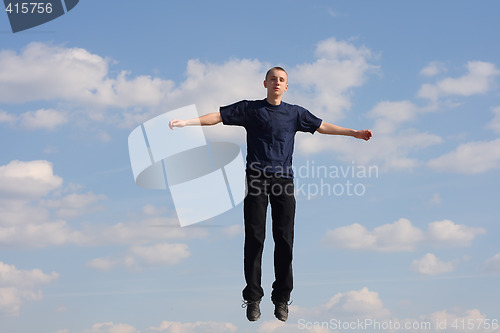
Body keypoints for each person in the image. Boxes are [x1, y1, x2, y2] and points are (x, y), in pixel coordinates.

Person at [169, 67, 372, 322]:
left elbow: (322, 126)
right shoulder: (251, 110)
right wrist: (188, 122)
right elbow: (218, 117)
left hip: (283, 180)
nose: (277, 83)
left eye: (282, 80)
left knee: (284, 239)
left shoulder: (295, 113)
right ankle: (253, 297)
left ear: (287, 86)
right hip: (256, 177)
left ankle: (282, 299)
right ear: (265, 83)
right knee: (255, 237)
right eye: (273, 79)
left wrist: (353, 133)